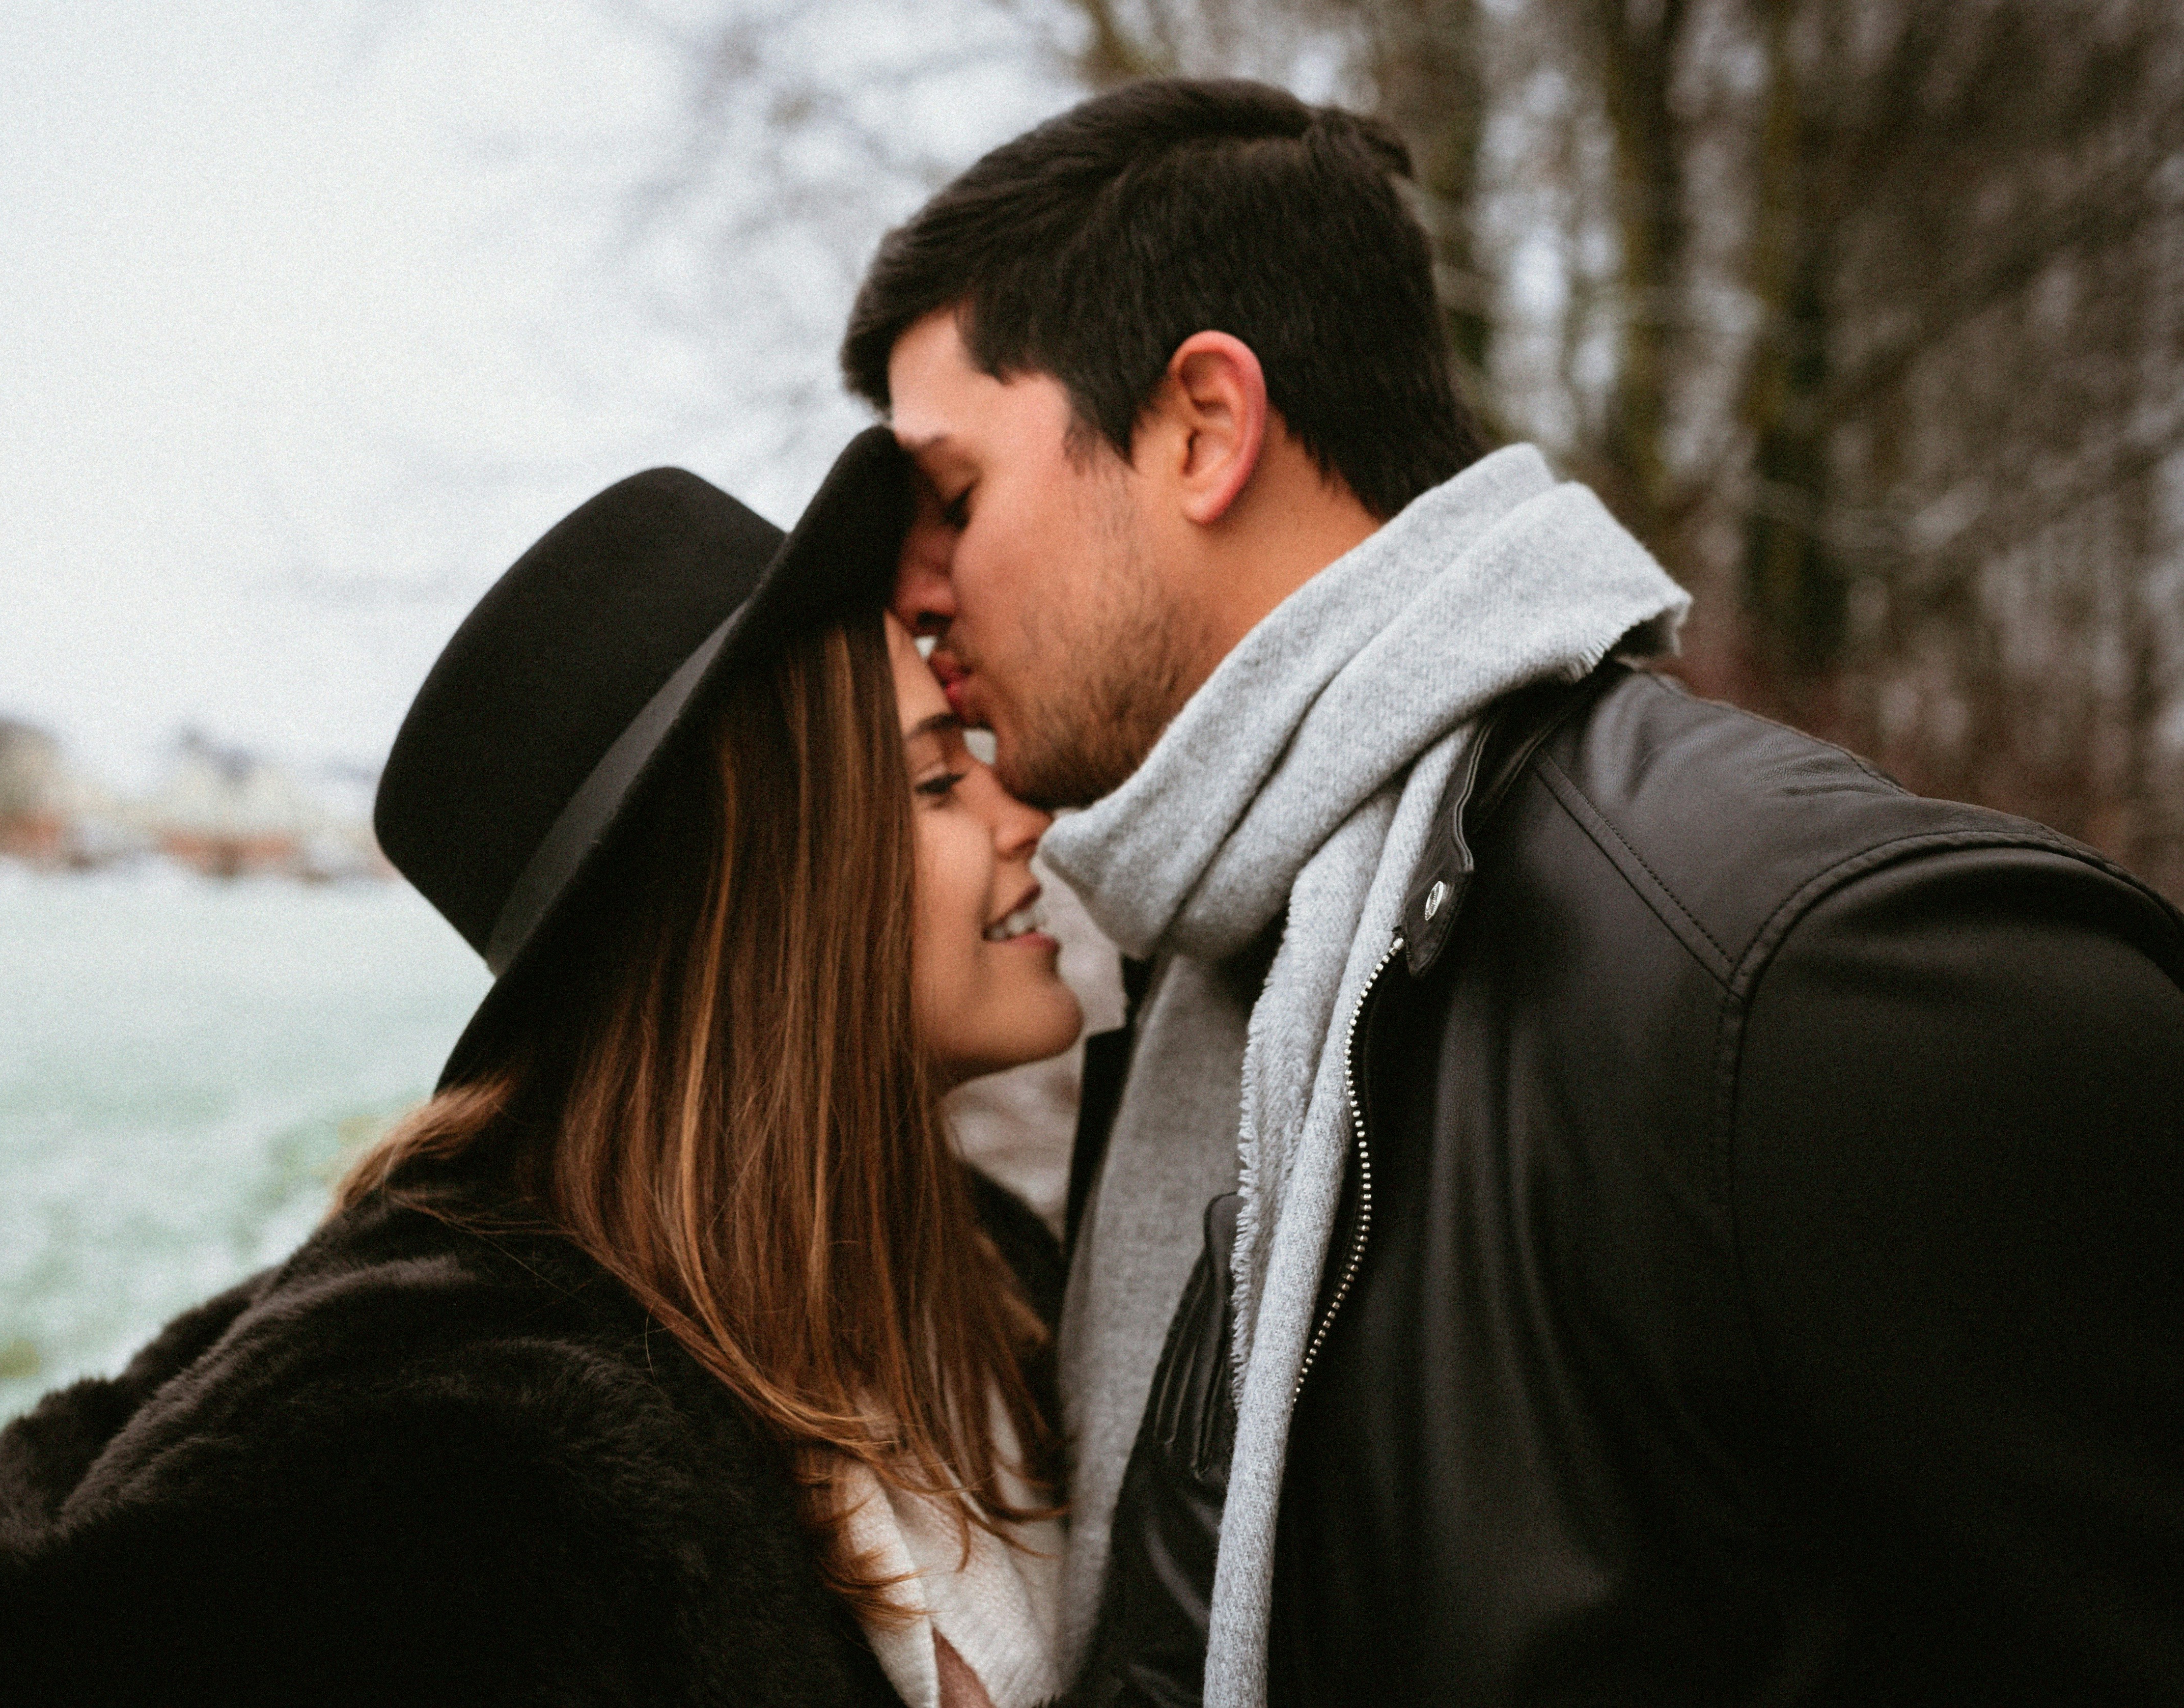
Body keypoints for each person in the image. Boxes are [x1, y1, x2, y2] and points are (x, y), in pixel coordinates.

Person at [841, 76, 2184, 1706]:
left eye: (954, 498)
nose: (914, 591)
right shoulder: (1222, 974)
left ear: (1203, 425)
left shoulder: (1801, 975)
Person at [0, 432, 1088, 1708]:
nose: (1018, 812)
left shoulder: (980, 1271)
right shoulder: (470, 1486)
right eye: (936, 779)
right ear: (757, 894)